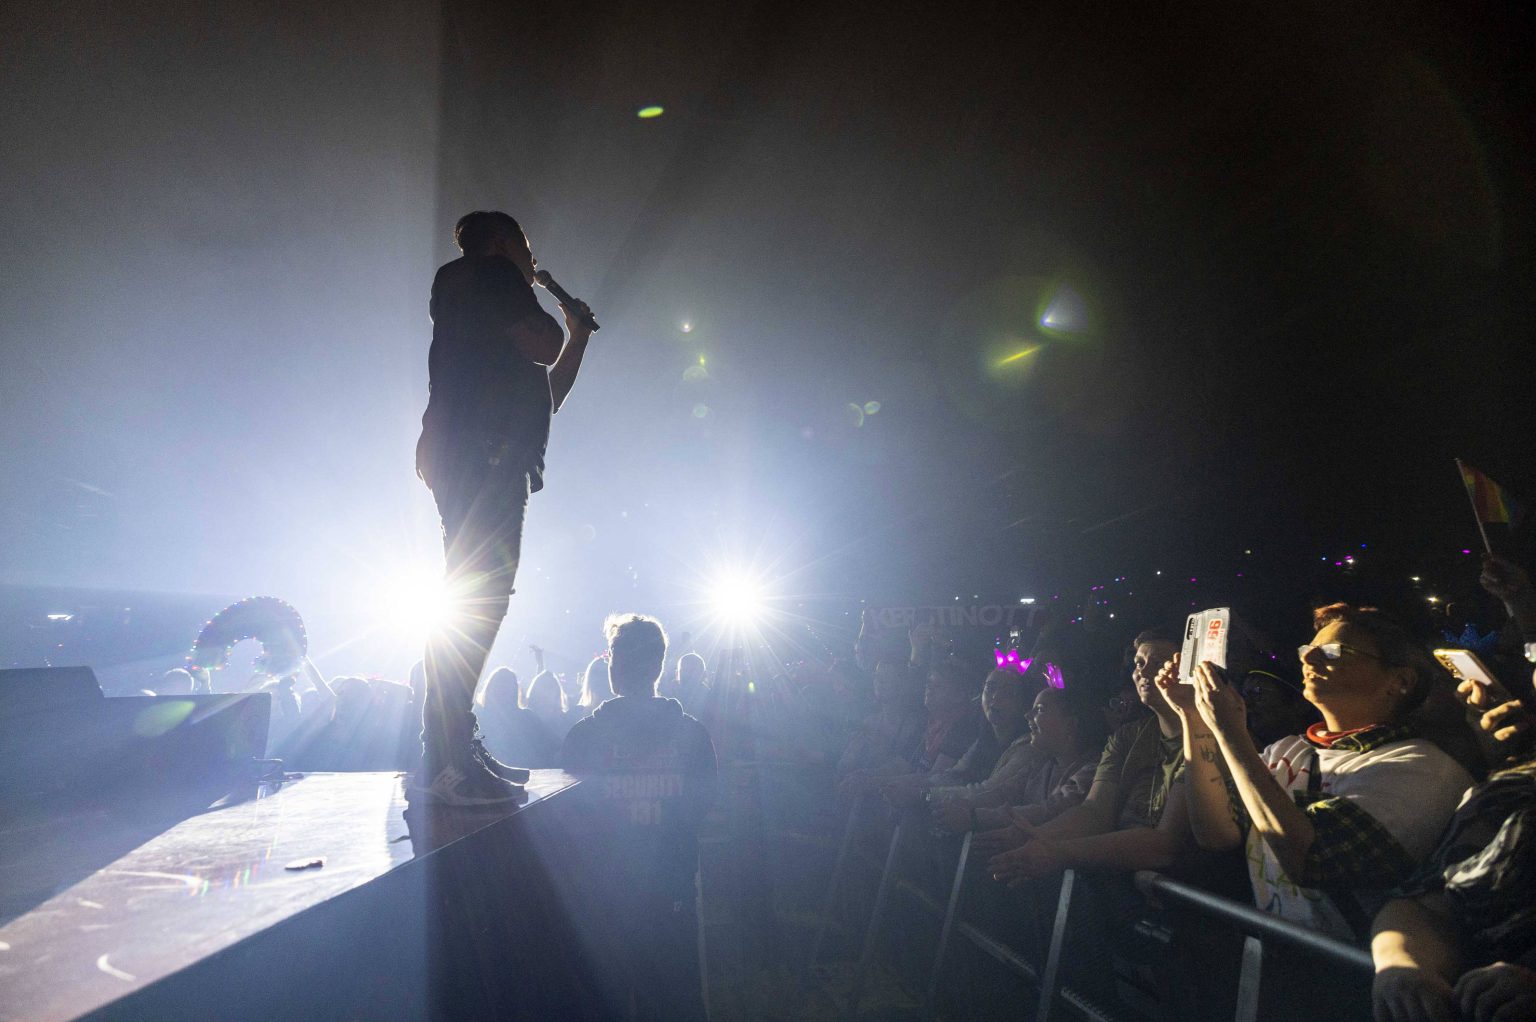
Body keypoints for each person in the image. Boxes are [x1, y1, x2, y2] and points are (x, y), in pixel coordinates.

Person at [412, 210, 595, 805]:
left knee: (474, 595)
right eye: (525, 245)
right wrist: (559, 325)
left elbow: (547, 394)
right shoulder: (488, 275)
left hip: (476, 454)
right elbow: (543, 344)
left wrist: (578, 337)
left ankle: (451, 748)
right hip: (482, 455)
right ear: (500, 242)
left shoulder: (480, 302)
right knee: (478, 598)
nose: (532, 259)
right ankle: (447, 759)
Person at [1176, 604, 1474, 941]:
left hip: (1354, 965)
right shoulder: (1288, 749)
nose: (1308, 658)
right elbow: (1216, 833)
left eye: (1333, 652)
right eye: (1308, 649)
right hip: (1278, 953)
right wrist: (1192, 715)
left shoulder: (1421, 767)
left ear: (1400, 681)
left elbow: (1309, 859)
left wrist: (1231, 733)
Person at [561, 614, 716, 1022]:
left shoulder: (584, 736)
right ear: (658, 666)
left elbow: (569, 819)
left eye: (616, 656)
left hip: (605, 893)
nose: (613, 664)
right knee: (673, 1002)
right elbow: (703, 805)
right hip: (668, 889)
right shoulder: (692, 734)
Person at [986, 629, 1195, 885]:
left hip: (1180, 891)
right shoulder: (1128, 736)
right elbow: (1095, 812)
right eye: (1139, 663)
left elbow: (1166, 844)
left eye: (1159, 663)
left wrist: (1059, 852)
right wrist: (1036, 837)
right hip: (1120, 880)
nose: (1144, 671)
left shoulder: (1203, 739)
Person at [935, 679, 1103, 834]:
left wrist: (974, 816)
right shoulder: (1042, 765)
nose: (1027, 716)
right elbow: (1002, 793)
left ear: (1070, 725)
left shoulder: (1091, 772)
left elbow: (1049, 810)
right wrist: (947, 802)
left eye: (1040, 710)